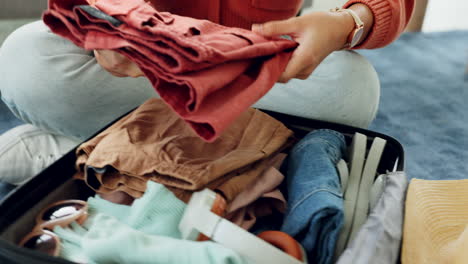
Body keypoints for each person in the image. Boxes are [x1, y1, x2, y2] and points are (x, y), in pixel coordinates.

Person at [0, 0, 414, 185]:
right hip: (148, 60)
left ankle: (80, 155)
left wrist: (349, 22)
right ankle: (246, 163)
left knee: (353, 89)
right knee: (26, 59)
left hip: (254, 68)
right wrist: (108, 21)